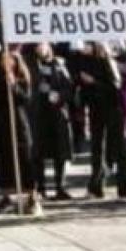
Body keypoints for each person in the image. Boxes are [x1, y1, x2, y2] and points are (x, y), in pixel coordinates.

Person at [78, 42, 126, 200]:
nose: (84, 48)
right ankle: (96, 186)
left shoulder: (108, 62)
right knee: (96, 149)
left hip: (113, 109)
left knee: (119, 148)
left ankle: (125, 188)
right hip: (96, 109)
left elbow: (115, 87)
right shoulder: (86, 62)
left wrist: (93, 82)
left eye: (88, 45)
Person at [0, 50, 40, 215]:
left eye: (9, 59)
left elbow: (25, 99)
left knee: (24, 159)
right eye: (4, 59)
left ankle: (31, 197)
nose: (6, 62)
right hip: (2, 123)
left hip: (19, 122)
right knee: (4, 159)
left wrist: (14, 85)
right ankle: (6, 195)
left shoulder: (22, 78)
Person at [28, 43, 75, 200]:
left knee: (60, 152)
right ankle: (39, 188)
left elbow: (69, 88)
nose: (40, 49)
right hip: (37, 114)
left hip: (57, 114)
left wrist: (59, 96)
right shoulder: (30, 65)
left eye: (43, 45)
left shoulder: (59, 64)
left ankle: (60, 186)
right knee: (37, 152)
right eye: (38, 46)